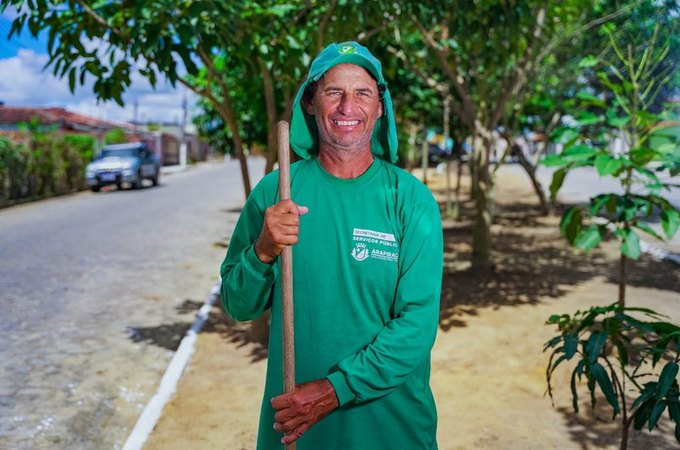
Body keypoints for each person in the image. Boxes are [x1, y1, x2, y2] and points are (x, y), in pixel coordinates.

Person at [220, 41, 443, 450]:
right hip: (300, 435)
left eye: (362, 93)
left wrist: (334, 390)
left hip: (392, 432)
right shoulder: (277, 191)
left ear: (380, 108)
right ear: (310, 102)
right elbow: (238, 305)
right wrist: (264, 250)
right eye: (333, 92)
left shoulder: (410, 199)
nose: (347, 107)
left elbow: (417, 325)